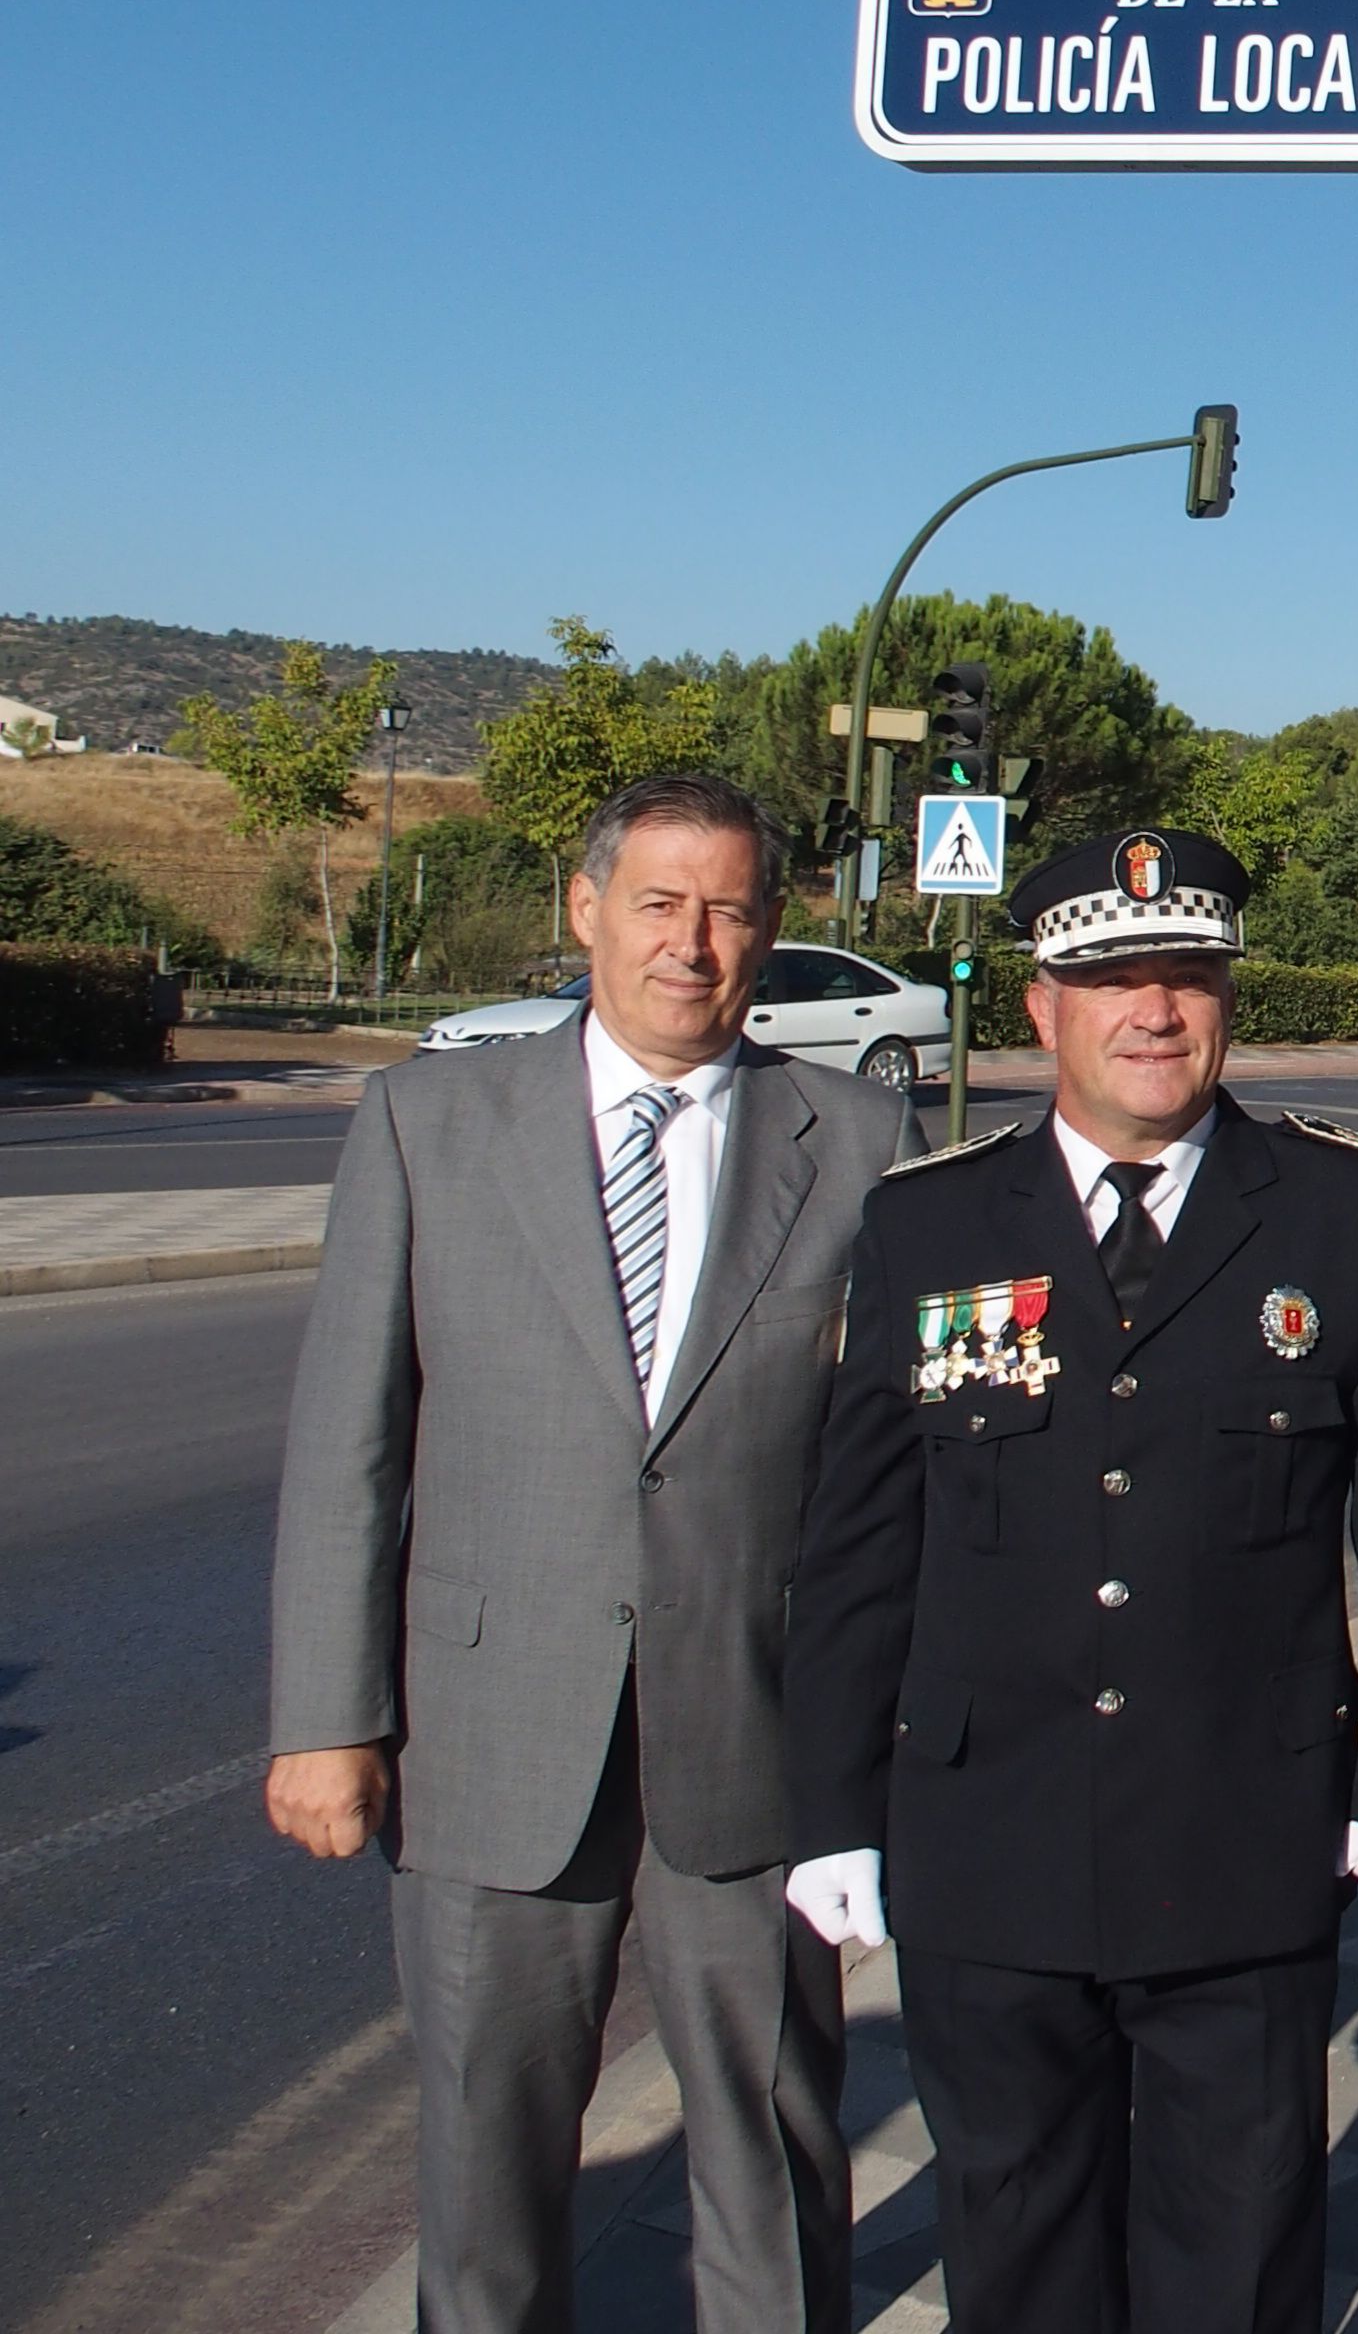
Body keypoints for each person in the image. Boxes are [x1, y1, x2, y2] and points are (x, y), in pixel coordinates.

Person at [265, 772, 914, 2334]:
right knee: (486, 2160)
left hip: (754, 1732)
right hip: (490, 1732)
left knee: (771, 2146)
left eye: (732, 909)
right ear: (585, 910)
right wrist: (324, 1721)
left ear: (773, 929)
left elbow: (902, 1473)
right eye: (659, 903)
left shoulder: (866, 1139)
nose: (693, 944)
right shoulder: (431, 1121)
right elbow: (349, 1445)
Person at [781, 825, 1358, 2334]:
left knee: (1244, 2249)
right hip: (984, 1842)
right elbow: (861, 1546)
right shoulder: (927, 1223)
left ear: (1226, 1000)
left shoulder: (1341, 1216)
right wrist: (833, 1810)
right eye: (1112, 981)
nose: (1155, 1012)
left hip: (1244, 1838)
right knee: (1014, 2252)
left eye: (1189, 978)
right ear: (1042, 1010)